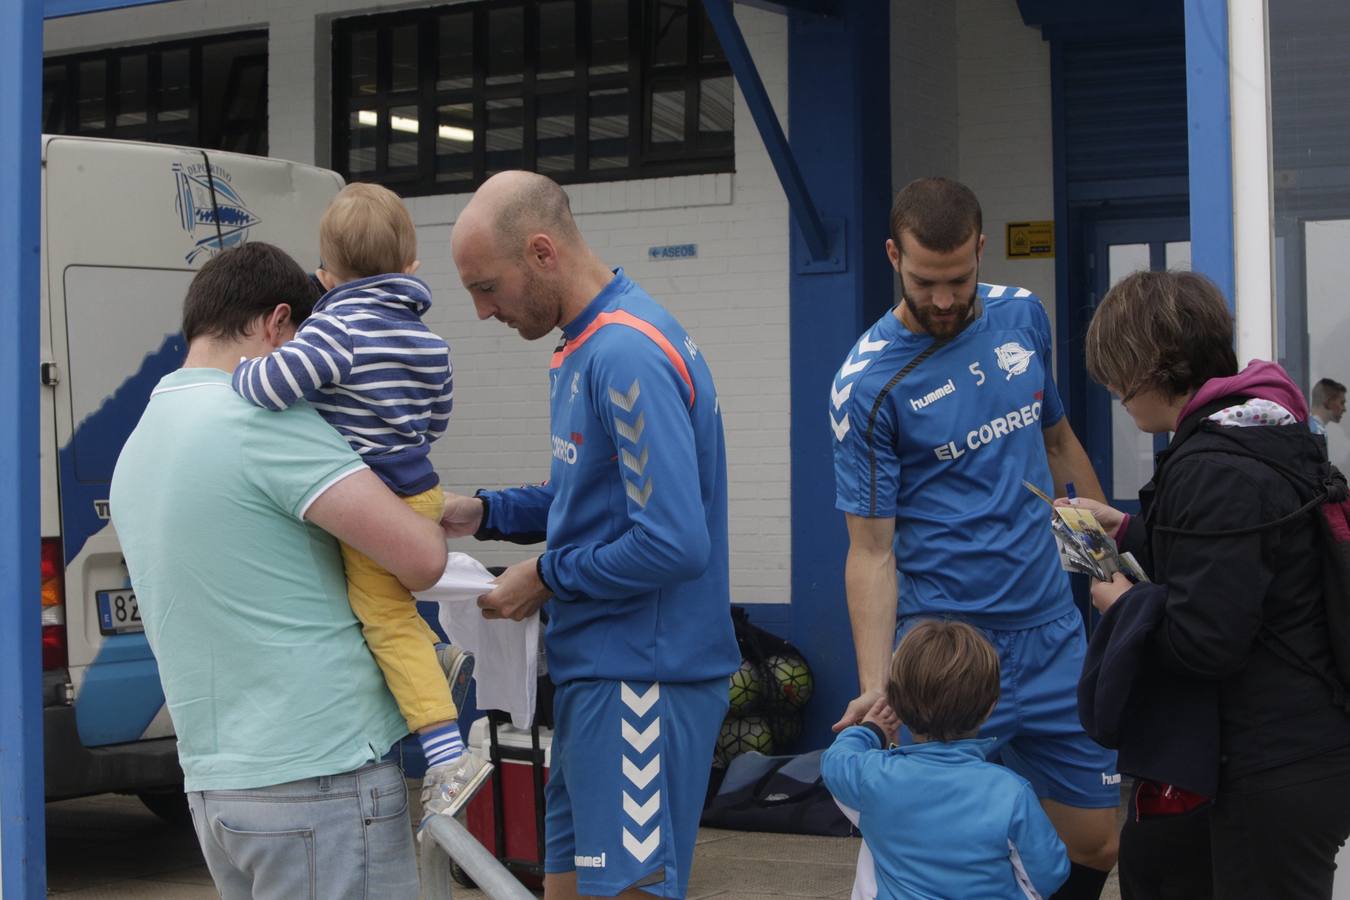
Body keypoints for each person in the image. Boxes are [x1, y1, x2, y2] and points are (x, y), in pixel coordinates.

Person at [110, 242, 455, 899]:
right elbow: (421, 558)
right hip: (320, 777)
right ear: (276, 323)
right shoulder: (264, 420)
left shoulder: (144, 438)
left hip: (217, 786)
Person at [442, 170, 740, 900]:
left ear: (542, 252)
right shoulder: (581, 346)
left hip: (644, 676)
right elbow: (585, 499)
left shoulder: (625, 355)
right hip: (597, 674)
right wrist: (482, 513)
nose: (483, 312)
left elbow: (673, 541)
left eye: (487, 287)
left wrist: (543, 578)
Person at [829, 177, 1118, 899]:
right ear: (895, 255)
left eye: (959, 279)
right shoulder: (867, 384)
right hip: (949, 652)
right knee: (938, 845)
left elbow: (1057, 445)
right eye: (926, 282)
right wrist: (876, 688)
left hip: (1052, 631)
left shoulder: (1023, 317)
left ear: (982, 250)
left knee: (1102, 840)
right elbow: (870, 551)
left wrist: (1109, 574)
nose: (945, 300)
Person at [1067, 270, 1350, 899]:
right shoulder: (1266, 429)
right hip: (1309, 749)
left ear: (1148, 369)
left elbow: (1206, 642)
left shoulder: (1211, 467)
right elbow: (1249, 556)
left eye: (1117, 382)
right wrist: (1137, 532)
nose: (1118, 396)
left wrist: (1126, 607)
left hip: (1268, 765)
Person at [229, 183, 487, 817]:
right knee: (384, 612)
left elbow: (269, 387)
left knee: (386, 624)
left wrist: (236, 370)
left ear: (325, 274)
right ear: (410, 268)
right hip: (419, 489)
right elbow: (437, 420)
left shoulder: (334, 328)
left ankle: (447, 754)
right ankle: (437, 662)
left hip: (374, 502)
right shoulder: (430, 342)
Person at [822, 620, 1070, 899]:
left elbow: (835, 760)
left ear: (896, 701)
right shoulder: (1011, 792)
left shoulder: (872, 777)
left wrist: (872, 729)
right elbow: (1050, 875)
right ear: (990, 708)